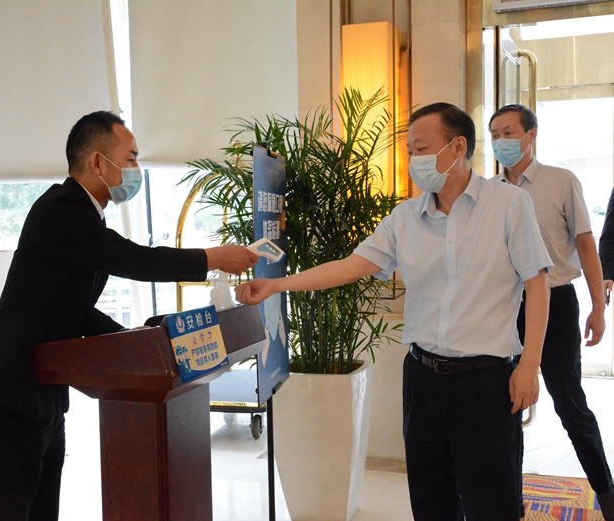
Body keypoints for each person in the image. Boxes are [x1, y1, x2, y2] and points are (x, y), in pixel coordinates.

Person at [236, 102, 552, 521]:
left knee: (492, 503)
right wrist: (277, 284)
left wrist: (529, 365)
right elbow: (352, 265)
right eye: (409, 150)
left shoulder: (509, 204)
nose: (413, 159)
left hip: (486, 381)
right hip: (423, 380)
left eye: (422, 148)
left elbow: (536, 283)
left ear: (458, 147)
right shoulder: (405, 217)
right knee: (430, 500)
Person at [0, 110, 258, 521]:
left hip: (40, 393)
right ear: (98, 162)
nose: (136, 169)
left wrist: (130, 337)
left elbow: (73, 307)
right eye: (130, 158)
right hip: (6, 390)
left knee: (40, 510)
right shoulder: (61, 209)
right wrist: (212, 257)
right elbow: (135, 260)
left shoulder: (83, 216)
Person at [489, 103, 614, 520]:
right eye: (494, 135)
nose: (500, 142)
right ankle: (509, 501)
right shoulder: (489, 191)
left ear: (531, 135)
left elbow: (586, 245)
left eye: (508, 133)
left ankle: (607, 493)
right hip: (506, 307)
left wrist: (598, 308)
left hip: (557, 303)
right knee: (506, 408)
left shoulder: (561, 181)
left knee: (570, 404)